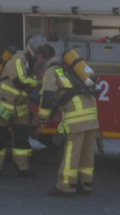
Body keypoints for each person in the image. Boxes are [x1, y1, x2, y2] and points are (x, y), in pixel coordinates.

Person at [35, 44, 100, 197]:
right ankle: (86, 184)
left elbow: (48, 97)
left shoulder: (51, 72)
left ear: (42, 69)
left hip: (76, 117)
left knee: (72, 152)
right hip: (91, 114)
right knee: (87, 152)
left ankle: (66, 186)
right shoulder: (71, 71)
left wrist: (43, 118)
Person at [0, 44, 39, 178]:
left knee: (22, 140)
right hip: (3, 107)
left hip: (21, 109)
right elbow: (20, 81)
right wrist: (36, 82)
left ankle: (22, 168)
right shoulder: (18, 58)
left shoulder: (28, 64)